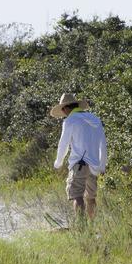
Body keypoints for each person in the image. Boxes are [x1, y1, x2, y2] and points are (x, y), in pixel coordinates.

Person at [51, 93, 107, 221]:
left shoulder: (70, 121)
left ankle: (81, 228)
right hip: (95, 164)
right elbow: (103, 144)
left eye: (63, 111)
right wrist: (102, 165)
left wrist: (58, 163)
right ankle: (92, 225)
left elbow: (63, 145)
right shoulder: (95, 119)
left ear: (65, 108)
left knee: (77, 195)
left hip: (79, 164)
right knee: (91, 197)